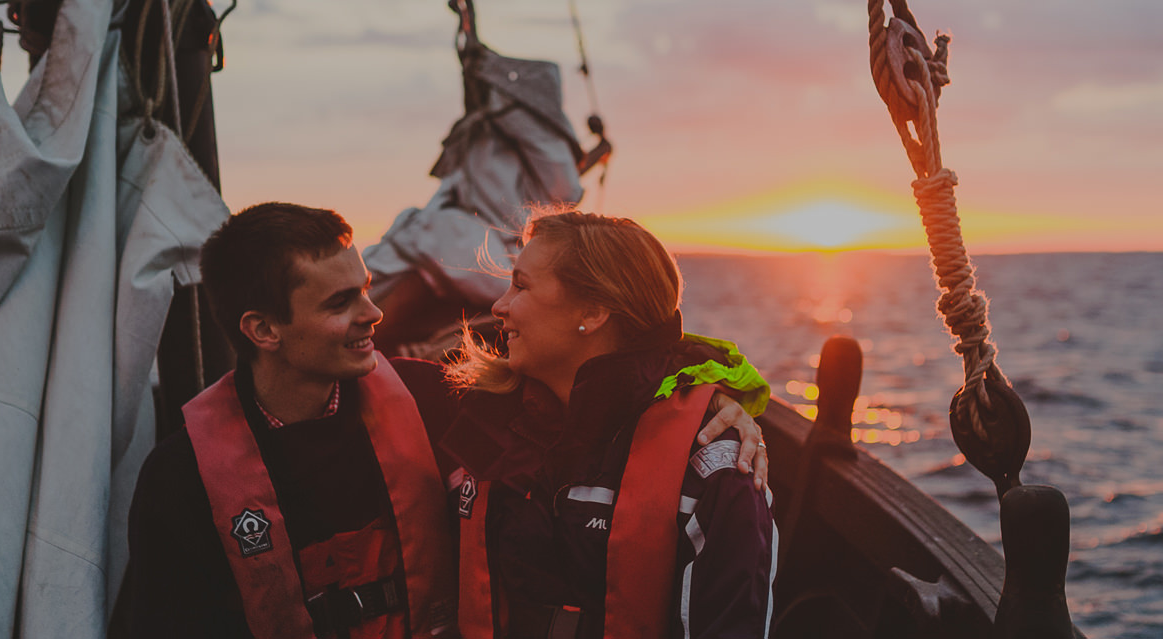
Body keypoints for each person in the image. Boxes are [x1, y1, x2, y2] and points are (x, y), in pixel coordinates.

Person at [115, 203, 767, 639]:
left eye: (368, 288)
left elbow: (625, 366)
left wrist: (722, 395)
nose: (375, 313)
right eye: (343, 302)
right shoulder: (182, 479)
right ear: (263, 330)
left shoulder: (434, 402)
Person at [440, 212, 776, 639]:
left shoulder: (712, 468)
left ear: (594, 311)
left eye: (521, 286)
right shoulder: (482, 414)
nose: (498, 305)